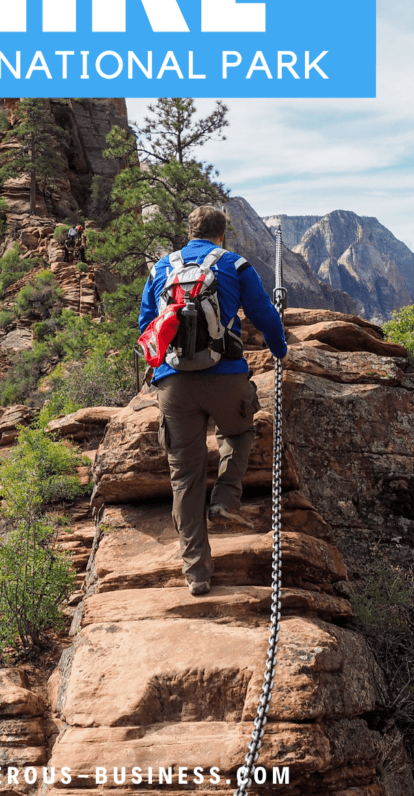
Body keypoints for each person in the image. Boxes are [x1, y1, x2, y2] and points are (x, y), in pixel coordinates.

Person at [138, 205, 287, 596]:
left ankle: (197, 574)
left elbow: (144, 328)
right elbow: (264, 315)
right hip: (226, 377)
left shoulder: (159, 270)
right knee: (238, 433)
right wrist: (280, 351)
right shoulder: (234, 265)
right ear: (222, 233)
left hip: (174, 385)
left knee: (184, 477)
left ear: (190, 231)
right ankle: (225, 497)